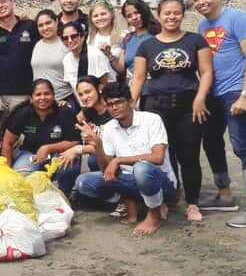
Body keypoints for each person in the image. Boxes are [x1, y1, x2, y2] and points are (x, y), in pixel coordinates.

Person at [131, 0, 212, 222]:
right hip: (156, 107)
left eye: (177, 13)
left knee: (190, 155)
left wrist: (200, 98)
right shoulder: (147, 45)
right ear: (159, 15)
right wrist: (131, 104)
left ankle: (193, 203)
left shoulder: (195, 40)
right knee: (165, 156)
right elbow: (138, 78)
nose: (172, 17)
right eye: (167, 13)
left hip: (189, 106)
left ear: (183, 15)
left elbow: (206, 72)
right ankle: (167, 200)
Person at [193, 0, 246, 227]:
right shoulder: (202, 26)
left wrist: (245, 93)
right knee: (211, 142)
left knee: (242, 146)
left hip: (235, 91)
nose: (202, 2)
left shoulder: (237, 18)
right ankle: (225, 195)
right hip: (213, 94)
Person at [72, 83, 177, 237]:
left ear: (129, 101)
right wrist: (98, 144)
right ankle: (133, 202)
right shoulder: (109, 127)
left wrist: (118, 160)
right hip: (129, 180)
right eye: (110, 104)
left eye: (119, 102)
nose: (114, 108)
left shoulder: (151, 120)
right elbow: (105, 169)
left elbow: (158, 157)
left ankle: (154, 214)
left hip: (160, 181)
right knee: (83, 181)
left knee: (141, 168)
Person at [1, 79, 81, 195]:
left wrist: (47, 148)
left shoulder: (65, 112)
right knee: (19, 177)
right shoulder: (23, 113)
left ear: (53, 95)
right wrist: (6, 171)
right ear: (31, 98)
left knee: (68, 168)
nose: (42, 98)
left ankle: (64, 197)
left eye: (47, 94)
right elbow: (7, 143)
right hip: (31, 154)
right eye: (38, 94)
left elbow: (75, 142)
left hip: (60, 153)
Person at [0, 0, 39, 112]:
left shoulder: (30, 26)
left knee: (20, 130)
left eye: (3, 1)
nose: (1, 6)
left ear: (12, 3)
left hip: (23, 94)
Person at [30, 9, 75, 107]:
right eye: (40, 25)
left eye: (48, 23)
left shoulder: (66, 44)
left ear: (57, 22)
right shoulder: (37, 44)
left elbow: (76, 75)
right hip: (41, 101)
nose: (45, 27)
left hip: (62, 100)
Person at [117, 0, 160, 83]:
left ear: (144, 11)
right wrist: (109, 55)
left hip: (153, 89)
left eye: (136, 13)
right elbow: (121, 69)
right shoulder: (127, 39)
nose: (134, 17)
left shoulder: (158, 35)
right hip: (132, 89)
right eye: (129, 16)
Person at [61, 20, 109, 94]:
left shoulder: (95, 54)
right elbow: (74, 88)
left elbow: (105, 84)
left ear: (82, 36)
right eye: (65, 38)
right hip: (82, 102)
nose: (69, 41)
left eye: (74, 36)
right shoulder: (66, 60)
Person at [86, 0, 123, 82]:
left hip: (117, 84)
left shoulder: (122, 36)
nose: (99, 18)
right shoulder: (89, 39)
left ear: (111, 14)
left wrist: (110, 55)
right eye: (95, 16)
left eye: (103, 14)